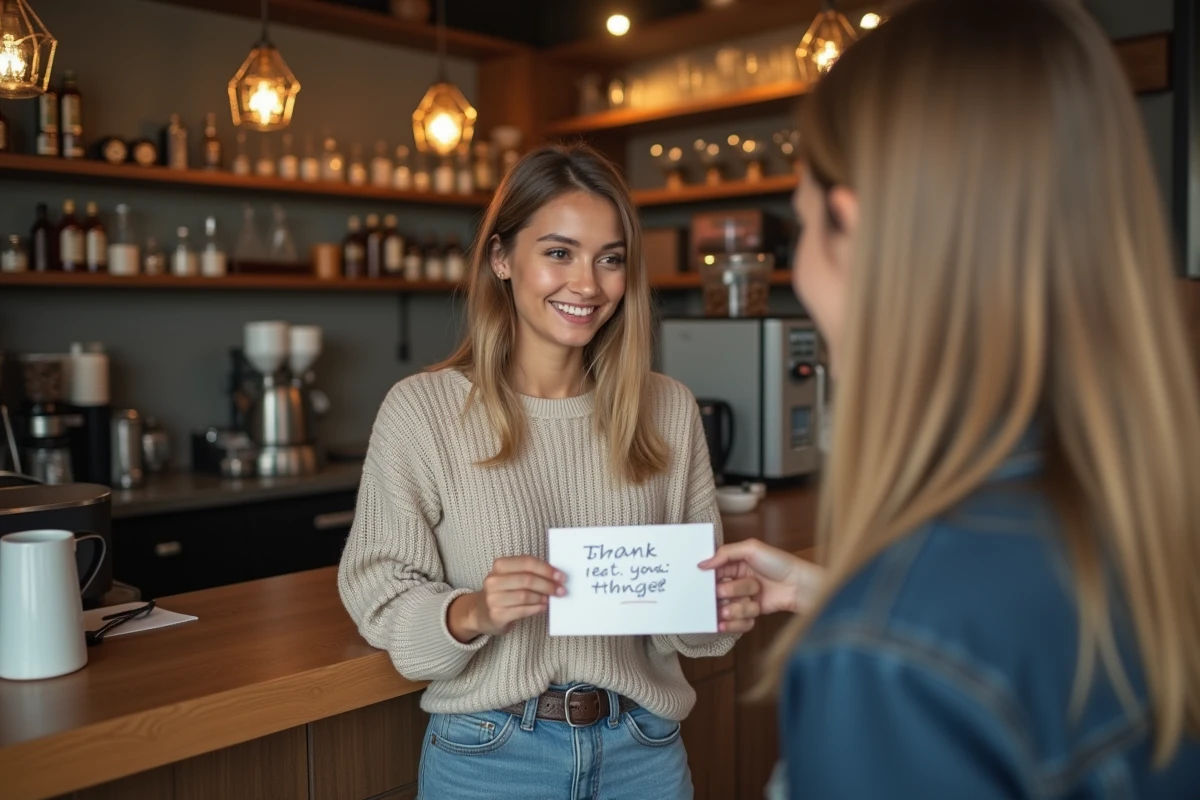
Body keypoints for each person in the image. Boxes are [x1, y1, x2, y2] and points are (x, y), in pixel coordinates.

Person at [703, 0, 1200, 796]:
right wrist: (830, 592)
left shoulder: (884, 653)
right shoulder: (1148, 517)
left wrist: (870, 615)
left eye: (800, 230)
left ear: (855, 231)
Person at [337, 143, 761, 800]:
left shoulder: (669, 409)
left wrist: (718, 608)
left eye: (610, 259)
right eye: (559, 252)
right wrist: (472, 611)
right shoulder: (422, 411)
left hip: (644, 750)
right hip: (488, 755)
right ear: (502, 259)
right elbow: (379, 591)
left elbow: (691, 620)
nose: (588, 284)